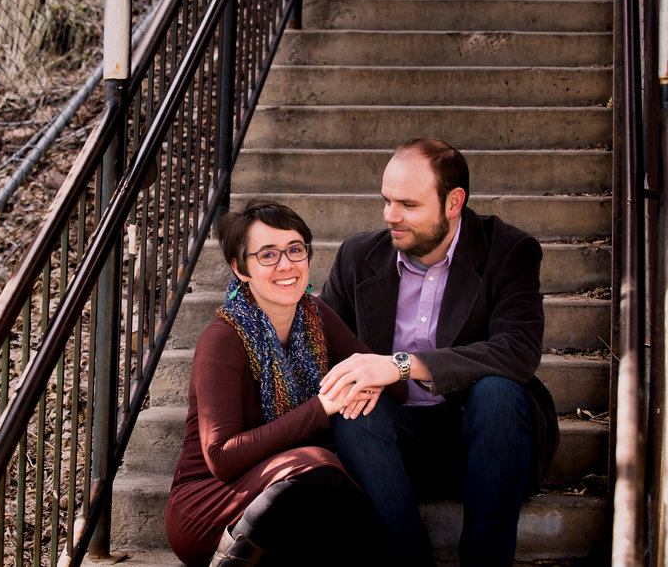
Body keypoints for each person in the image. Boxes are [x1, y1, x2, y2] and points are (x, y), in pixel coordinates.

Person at [318, 138, 559, 566]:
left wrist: (401, 365)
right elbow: (320, 348)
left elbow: (517, 351)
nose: (390, 216)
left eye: (408, 205)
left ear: (453, 203)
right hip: (392, 447)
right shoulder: (358, 255)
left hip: (483, 439)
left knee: (499, 392)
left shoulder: (509, 251)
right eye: (387, 201)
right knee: (353, 407)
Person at [164, 199, 404, 566]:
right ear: (240, 268)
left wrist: (373, 376)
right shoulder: (223, 339)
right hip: (213, 505)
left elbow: (393, 386)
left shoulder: (315, 317)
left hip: (291, 488)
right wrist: (321, 407)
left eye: (295, 249)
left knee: (327, 477)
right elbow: (222, 456)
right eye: (268, 255)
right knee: (319, 468)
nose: (286, 264)